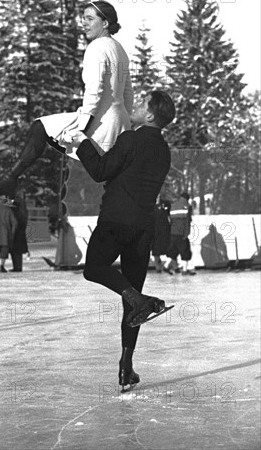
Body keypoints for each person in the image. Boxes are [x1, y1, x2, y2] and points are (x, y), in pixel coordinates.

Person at [70, 90, 176, 391]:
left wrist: (82, 144)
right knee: (132, 302)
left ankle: (139, 299)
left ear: (151, 116)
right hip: (144, 228)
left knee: (94, 268)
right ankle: (126, 367)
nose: (137, 105)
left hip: (116, 220)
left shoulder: (132, 138)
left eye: (142, 104)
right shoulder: (164, 149)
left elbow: (102, 171)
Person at [0, 0, 134, 203]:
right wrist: (126, 125)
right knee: (104, 174)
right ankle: (10, 183)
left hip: (99, 121)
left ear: (105, 23)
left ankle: (10, 180)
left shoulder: (96, 47)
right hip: (119, 122)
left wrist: (83, 127)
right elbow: (128, 93)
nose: (84, 23)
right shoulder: (119, 49)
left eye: (89, 19)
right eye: (83, 19)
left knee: (40, 127)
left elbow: (94, 90)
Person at [164, 192, 196, 275]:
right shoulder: (187, 206)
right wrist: (186, 234)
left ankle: (166, 265)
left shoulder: (173, 205)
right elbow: (187, 221)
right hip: (181, 233)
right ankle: (185, 270)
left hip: (173, 232)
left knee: (173, 251)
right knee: (185, 251)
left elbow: (170, 219)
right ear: (187, 198)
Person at [0, 204, 18, 273]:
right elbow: (15, 223)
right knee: (4, 250)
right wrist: (12, 232)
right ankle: (2, 267)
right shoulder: (9, 210)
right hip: (6, 233)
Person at [9, 191, 30, 272]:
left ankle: (17, 266)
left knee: (14, 249)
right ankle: (18, 266)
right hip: (21, 228)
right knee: (17, 250)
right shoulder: (22, 204)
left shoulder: (15, 203)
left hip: (16, 228)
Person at [152, 195, 171, 273]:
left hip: (165, 231)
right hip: (155, 231)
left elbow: (169, 214)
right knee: (156, 251)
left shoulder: (165, 204)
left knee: (169, 249)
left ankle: (173, 266)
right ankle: (158, 268)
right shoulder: (150, 205)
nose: (157, 197)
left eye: (158, 196)